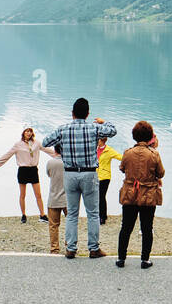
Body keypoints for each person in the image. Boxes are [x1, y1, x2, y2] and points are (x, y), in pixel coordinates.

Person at [42, 98, 116, 259]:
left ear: (72, 114)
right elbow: (112, 130)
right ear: (88, 114)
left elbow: (46, 141)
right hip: (89, 174)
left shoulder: (63, 129)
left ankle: (71, 248)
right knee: (93, 213)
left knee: (73, 214)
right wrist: (104, 121)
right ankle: (94, 248)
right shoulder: (94, 128)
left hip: (69, 174)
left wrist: (62, 140)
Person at [116, 121, 165, 269]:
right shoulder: (154, 154)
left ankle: (121, 258)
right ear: (149, 136)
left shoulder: (127, 152)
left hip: (130, 193)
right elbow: (161, 173)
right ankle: (145, 259)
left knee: (126, 227)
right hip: (148, 194)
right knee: (147, 227)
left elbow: (122, 168)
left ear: (134, 136)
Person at [0, 128, 55, 223]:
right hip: (23, 170)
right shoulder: (18, 144)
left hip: (33, 170)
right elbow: (7, 155)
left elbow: (49, 151)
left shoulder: (37, 143)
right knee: (23, 195)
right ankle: (23, 215)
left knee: (38, 194)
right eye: (27, 131)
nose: (29, 133)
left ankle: (42, 215)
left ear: (32, 133)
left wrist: (61, 156)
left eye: (30, 131)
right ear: (23, 133)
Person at [97, 134, 122, 225]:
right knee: (97, 196)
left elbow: (121, 157)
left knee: (101, 196)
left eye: (98, 139)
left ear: (102, 140)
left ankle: (102, 217)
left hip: (105, 177)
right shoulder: (94, 149)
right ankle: (102, 215)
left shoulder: (109, 150)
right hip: (95, 176)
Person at [45, 153, 67, 253]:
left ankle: (54, 248)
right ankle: (70, 245)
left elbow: (49, 174)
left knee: (53, 225)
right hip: (68, 198)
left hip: (53, 198)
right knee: (71, 222)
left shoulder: (50, 162)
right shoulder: (69, 162)